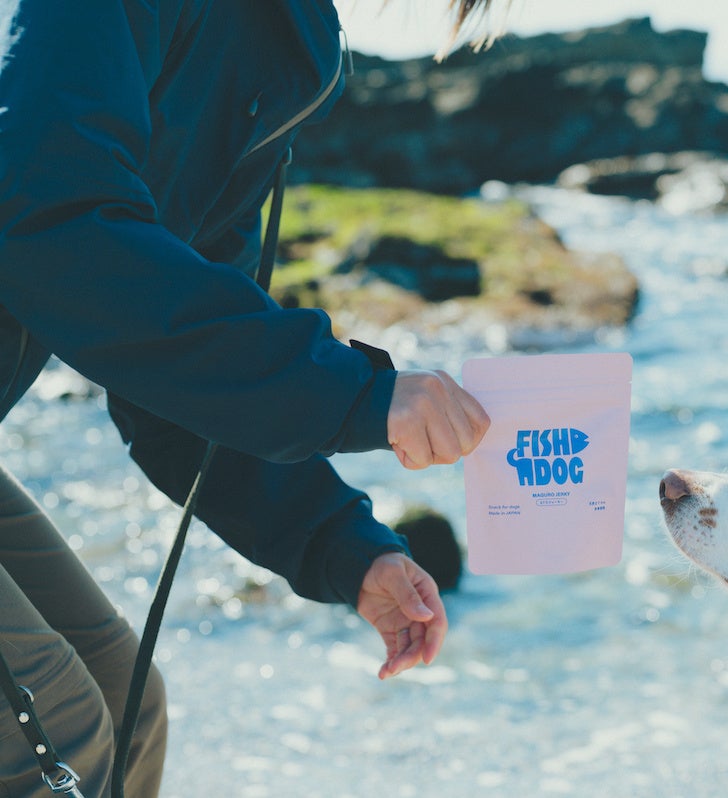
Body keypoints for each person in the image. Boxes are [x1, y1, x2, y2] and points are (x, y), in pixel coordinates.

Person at [0, 0, 500, 795]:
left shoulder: (274, 44)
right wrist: (358, 394)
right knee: (57, 737)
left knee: (127, 706)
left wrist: (344, 546)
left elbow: (179, 382)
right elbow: (48, 220)